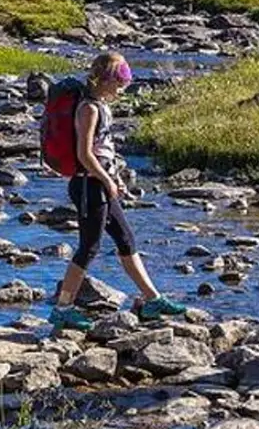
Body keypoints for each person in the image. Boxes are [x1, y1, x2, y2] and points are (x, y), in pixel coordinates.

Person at [49, 52, 184, 331]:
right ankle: (62, 308)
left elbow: (104, 149)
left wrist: (115, 177)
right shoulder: (89, 108)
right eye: (120, 80)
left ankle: (152, 300)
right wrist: (106, 180)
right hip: (88, 185)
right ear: (105, 79)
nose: (123, 86)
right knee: (89, 247)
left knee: (125, 240)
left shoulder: (102, 106)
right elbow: (84, 154)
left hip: (100, 182)